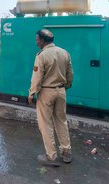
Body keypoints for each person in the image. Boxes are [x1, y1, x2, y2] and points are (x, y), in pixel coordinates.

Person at [28, 29, 73, 167]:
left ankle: (51, 156)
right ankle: (66, 152)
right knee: (61, 121)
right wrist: (66, 86)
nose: (36, 42)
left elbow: (37, 77)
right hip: (61, 91)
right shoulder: (64, 52)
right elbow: (70, 73)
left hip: (46, 92)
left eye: (37, 40)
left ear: (42, 40)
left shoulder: (41, 55)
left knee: (45, 124)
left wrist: (31, 93)